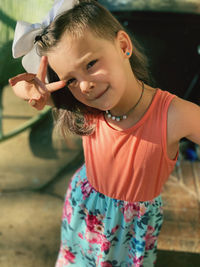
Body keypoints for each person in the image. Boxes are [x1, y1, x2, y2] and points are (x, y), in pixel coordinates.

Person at [9, 0, 200, 266]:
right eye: (71, 79)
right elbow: (20, 89)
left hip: (130, 231)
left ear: (123, 46)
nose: (84, 85)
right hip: (82, 210)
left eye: (90, 64)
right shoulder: (86, 106)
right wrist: (32, 90)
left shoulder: (173, 115)